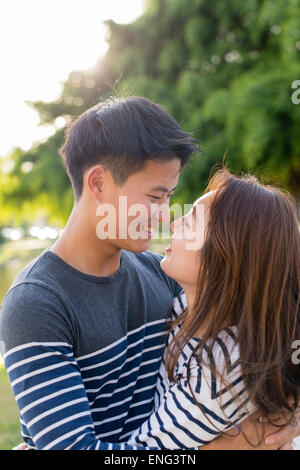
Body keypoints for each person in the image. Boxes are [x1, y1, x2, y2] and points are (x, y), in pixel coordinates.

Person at [0, 97, 298, 450]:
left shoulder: (165, 278)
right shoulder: (37, 304)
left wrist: (289, 405)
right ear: (97, 183)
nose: (166, 215)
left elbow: (270, 319)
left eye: (169, 196)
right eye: (156, 197)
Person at [125, 169, 300, 448]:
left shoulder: (220, 370)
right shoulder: (187, 306)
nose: (175, 223)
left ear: (228, 252)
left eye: (192, 220)